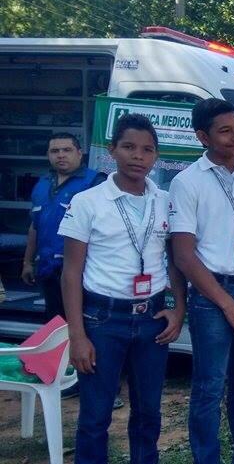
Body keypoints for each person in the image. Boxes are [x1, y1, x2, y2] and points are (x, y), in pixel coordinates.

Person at [59, 113, 186, 464]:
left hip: (153, 320)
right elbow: (71, 273)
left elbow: (175, 260)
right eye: (128, 147)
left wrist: (179, 309)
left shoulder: (164, 201)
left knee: (148, 414)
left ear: (156, 157)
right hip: (102, 320)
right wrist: (77, 335)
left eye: (147, 150)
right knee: (95, 415)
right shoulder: (88, 202)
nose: (137, 156)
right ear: (112, 150)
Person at [169, 98, 234, 464]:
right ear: (203, 137)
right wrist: (228, 305)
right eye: (225, 130)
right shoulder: (187, 182)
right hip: (213, 297)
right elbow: (183, 254)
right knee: (209, 389)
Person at [22, 132, 105, 320]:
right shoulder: (42, 185)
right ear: (48, 155)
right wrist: (27, 262)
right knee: (56, 331)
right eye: (55, 151)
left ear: (79, 153)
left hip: (83, 274)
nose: (60, 155)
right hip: (48, 271)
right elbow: (35, 226)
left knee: (83, 332)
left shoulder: (96, 182)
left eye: (67, 150)